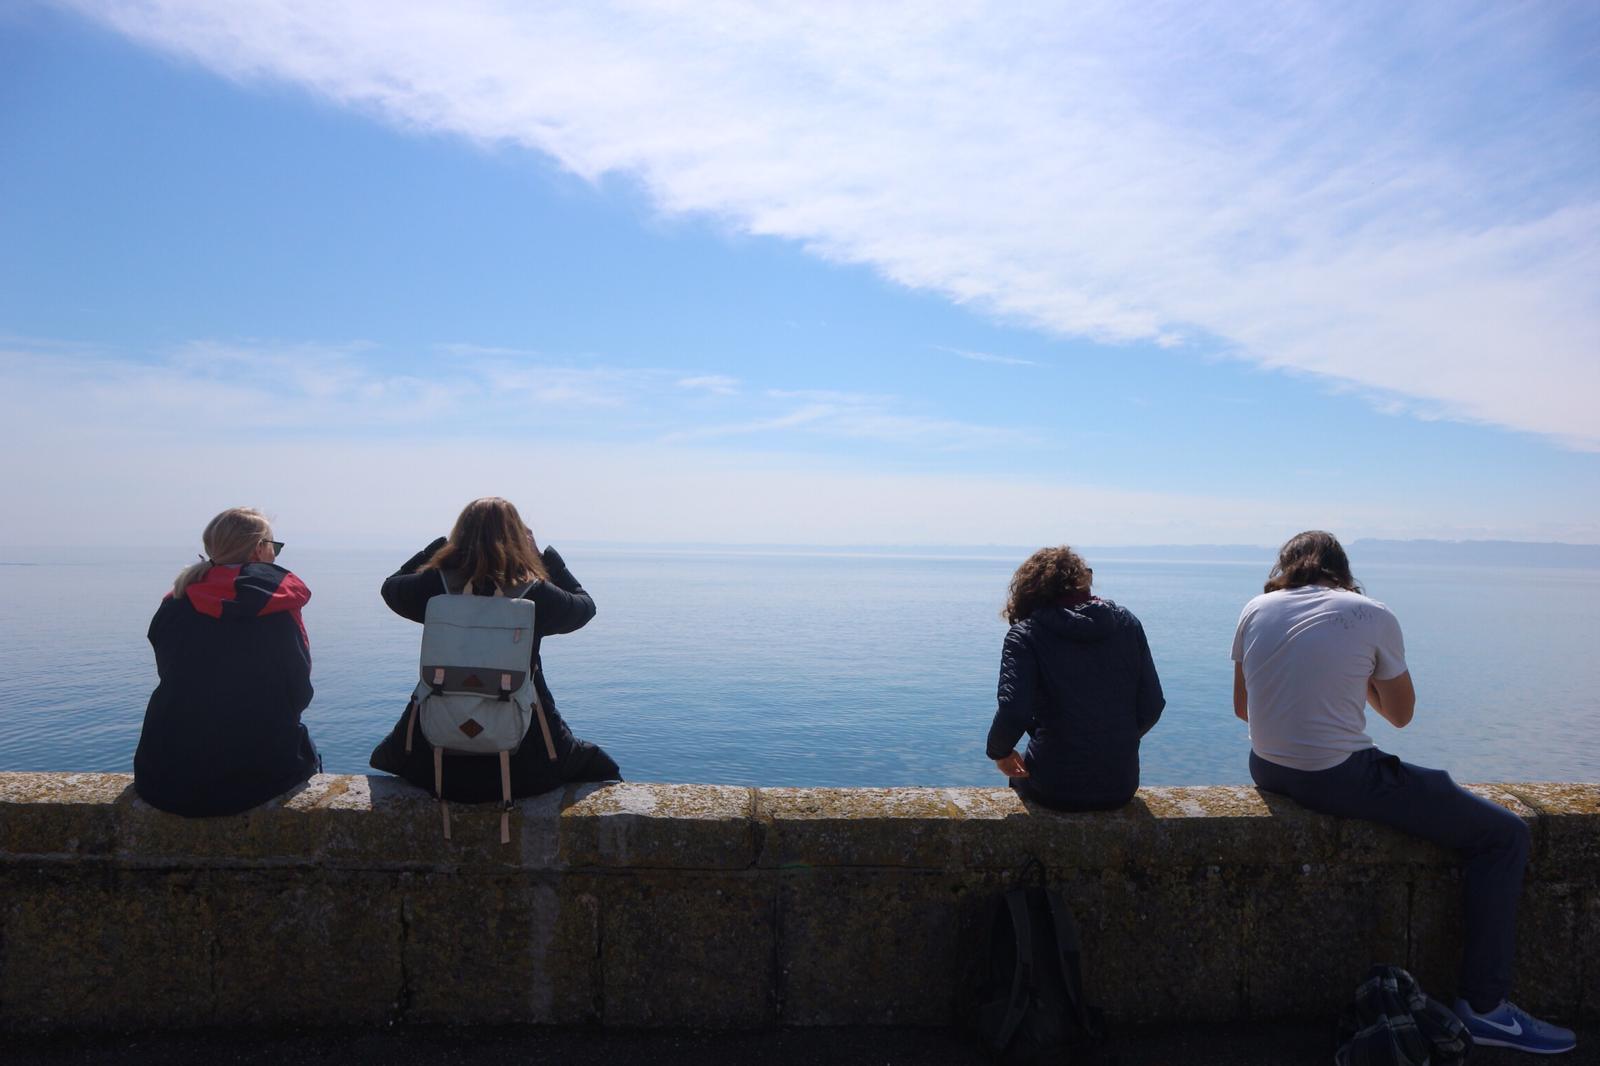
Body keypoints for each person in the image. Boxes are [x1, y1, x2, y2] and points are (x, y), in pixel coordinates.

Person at [1233, 531, 1575, 1055]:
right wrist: (1364, 675)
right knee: (1504, 835)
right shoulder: (1371, 614)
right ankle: (1486, 1010)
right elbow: (1400, 715)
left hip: (1268, 769)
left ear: (1284, 569)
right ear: (1342, 572)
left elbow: (1244, 709)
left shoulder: (1254, 608)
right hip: (1338, 775)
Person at [369, 497, 620, 799]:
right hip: (526, 767)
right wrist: (545, 556)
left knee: (392, 753)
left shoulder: (432, 587)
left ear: (459, 535)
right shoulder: (534, 594)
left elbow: (391, 585)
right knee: (603, 768)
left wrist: (437, 549)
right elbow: (585, 606)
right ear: (519, 538)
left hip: (433, 764)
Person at [134, 507, 319, 816]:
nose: (275, 554)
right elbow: (298, 692)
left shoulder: (175, 602)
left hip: (163, 773)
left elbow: (172, 673)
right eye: (275, 546)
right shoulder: (276, 606)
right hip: (254, 777)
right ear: (260, 549)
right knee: (305, 751)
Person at [985, 546, 1165, 810]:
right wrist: (1114, 740)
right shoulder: (1126, 623)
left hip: (1054, 785)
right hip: (1120, 784)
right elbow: (1152, 705)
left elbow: (1014, 711)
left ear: (1029, 590)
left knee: (1020, 784)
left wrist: (1000, 753)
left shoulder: (1026, 635)